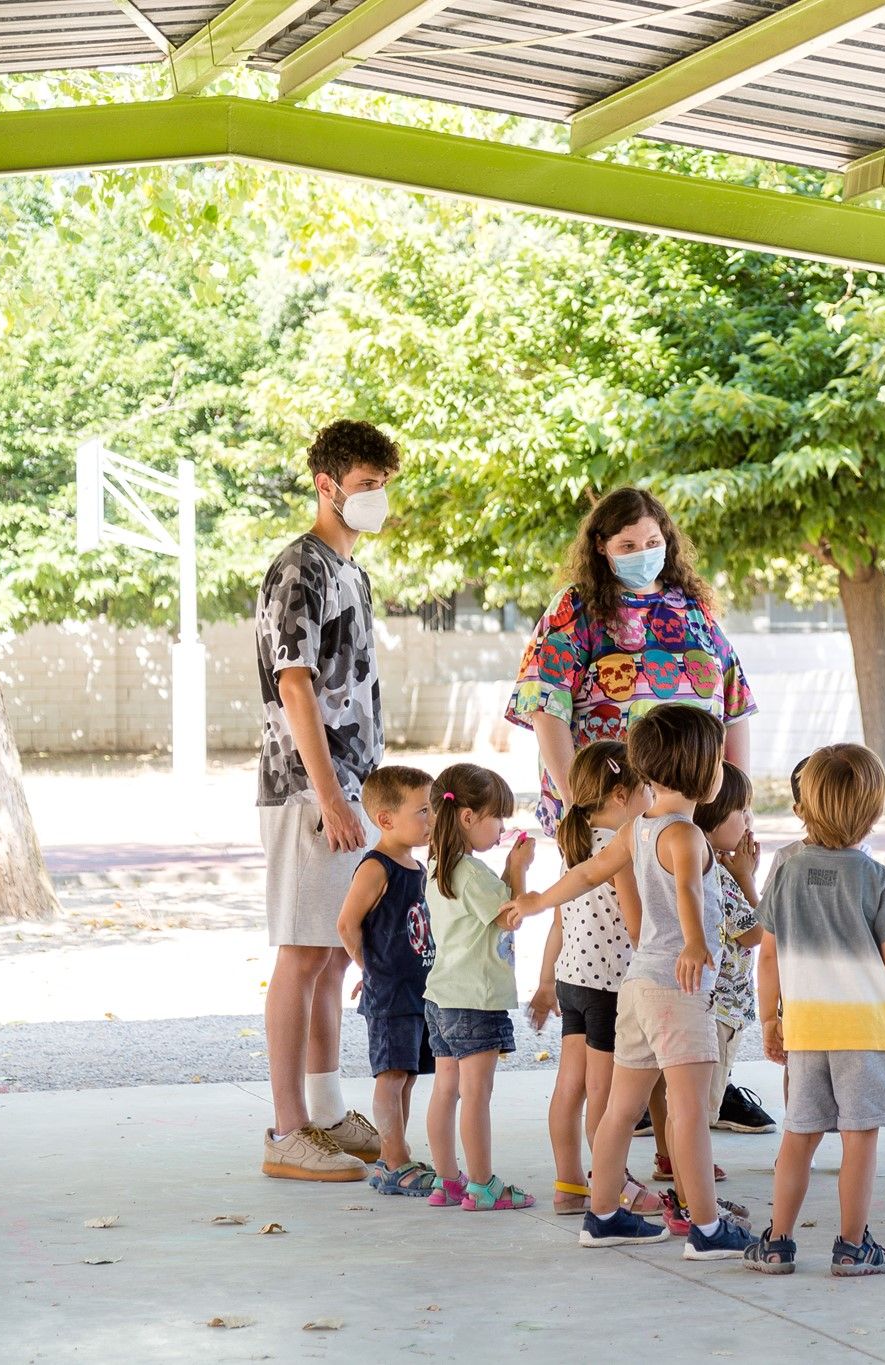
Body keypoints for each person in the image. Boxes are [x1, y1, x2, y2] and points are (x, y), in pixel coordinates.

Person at [502, 705, 753, 1257]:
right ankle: (708, 1229)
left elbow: (588, 872)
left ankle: (604, 1212)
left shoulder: (638, 829)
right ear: (702, 772)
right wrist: (694, 943)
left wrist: (539, 900)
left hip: (636, 987)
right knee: (687, 1109)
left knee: (618, 1107)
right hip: (676, 986)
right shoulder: (685, 835)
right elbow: (688, 891)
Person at [254, 419, 400, 1182]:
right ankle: (286, 1128)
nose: (378, 499)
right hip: (308, 792)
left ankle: (324, 1111)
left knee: (330, 958)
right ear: (327, 484)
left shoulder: (353, 574)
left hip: (350, 792)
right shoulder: (299, 569)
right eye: (368, 485)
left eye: (384, 486)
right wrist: (329, 795)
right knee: (302, 951)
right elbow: (295, 682)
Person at [744, 743, 885, 1278]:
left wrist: (771, 1020)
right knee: (858, 1141)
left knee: (798, 1136)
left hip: (806, 1028)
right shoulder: (878, 879)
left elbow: (769, 954)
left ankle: (777, 1243)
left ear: (807, 804)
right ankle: (852, 1247)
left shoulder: (785, 871)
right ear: (873, 812)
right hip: (866, 1032)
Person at [506, 486, 756, 837]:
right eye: (628, 546)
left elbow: (735, 708)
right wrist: (578, 805)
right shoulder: (574, 608)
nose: (643, 554)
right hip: (609, 812)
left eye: (653, 543)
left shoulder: (694, 609)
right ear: (600, 546)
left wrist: (737, 804)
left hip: (694, 817)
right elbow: (546, 707)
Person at [527, 742, 661, 1218]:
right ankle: (614, 1184)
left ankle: (568, 1183)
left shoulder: (575, 845)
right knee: (604, 1095)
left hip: (572, 979)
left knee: (570, 1087)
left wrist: (546, 981)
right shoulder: (619, 849)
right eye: (646, 788)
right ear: (622, 794)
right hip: (609, 985)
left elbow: (560, 923)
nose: (652, 796)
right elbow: (636, 923)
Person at [420, 763, 540, 1212]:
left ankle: (448, 1181)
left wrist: (507, 867)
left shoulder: (439, 867)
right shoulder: (471, 874)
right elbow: (512, 915)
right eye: (497, 818)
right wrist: (519, 869)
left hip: (442, 996)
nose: (502, 828)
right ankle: (484, 1186)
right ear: (467, 817)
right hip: (475, 1000)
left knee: (446, 1089)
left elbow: (493, 910)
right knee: (477, 1095)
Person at [334, 764, 437, 1196]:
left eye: (433, 809)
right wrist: (369, 969)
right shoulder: (377, 868)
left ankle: (396, 1156)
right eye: (423, 811)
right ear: (386, 820)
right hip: (392, 992)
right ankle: (393, 1159)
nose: (431, 820)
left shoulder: (416, 865)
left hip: (420, 990)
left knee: (407, 1075)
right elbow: (346, 924)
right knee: (391, 1076)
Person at [696, 762, 777, 1136]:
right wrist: (747, 877)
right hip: (720, 1008)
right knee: (703, 1101)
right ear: (709, 818)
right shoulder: (718, 874)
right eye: (740, 811)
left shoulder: (696, 863)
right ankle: (692, 1174)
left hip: (698, 1001)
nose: (749, 820)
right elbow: (755, 932)